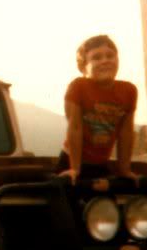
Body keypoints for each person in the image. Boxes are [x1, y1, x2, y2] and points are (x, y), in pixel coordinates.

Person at [56, 35, 137, 182]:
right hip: (73, 161)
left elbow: (126, 132)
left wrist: (124, 169)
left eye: (110, 56)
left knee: (106, 203)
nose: (105, 60)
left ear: (117, 60)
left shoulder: (129, 91)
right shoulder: (78, 87)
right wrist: (75, 169)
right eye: (97, 58)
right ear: (83, 66)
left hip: (100, 164)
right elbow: (75, 128)